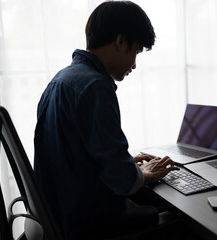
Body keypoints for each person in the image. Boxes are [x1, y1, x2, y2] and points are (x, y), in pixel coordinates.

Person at [33, 1, 179, 239]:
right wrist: (139, 173)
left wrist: (125, 163)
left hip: (58, 215)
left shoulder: (62, 79)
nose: (134, 64)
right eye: (135, 52)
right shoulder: (95, 86)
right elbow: (123, 182)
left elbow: (72, 154)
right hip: (87, 224)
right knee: (181, 220)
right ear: (121, 41)